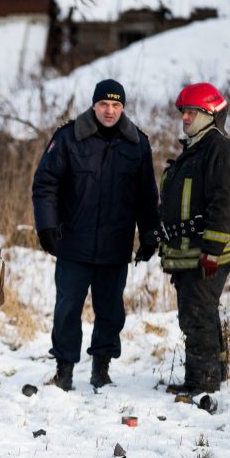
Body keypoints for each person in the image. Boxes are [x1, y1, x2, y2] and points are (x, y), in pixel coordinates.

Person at [32, 79, 161, 391]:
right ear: (94, 105)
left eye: (116, 105)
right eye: (104, 104)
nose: (110, 110)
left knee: (110, 310)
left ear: (123, 108)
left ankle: (101, 369)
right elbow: (45, 183)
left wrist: (149, 235)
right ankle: (64, 371)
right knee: (67, 309)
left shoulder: (137, 143)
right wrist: (47, 225)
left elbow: (146, 194)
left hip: (115, 245)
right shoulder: (68, 137)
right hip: (74, 243)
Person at [160, 82, 230, 394]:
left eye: (192, 112)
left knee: (196, 315)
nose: (185, 117)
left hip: (206, 253)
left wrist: (211, 250)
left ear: (209, 114)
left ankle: (202, 382)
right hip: (188, 251)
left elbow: (224, 204)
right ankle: (215, 374)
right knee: (202, 312)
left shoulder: (220, 150)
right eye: (183, 111)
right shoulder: (195, 148)